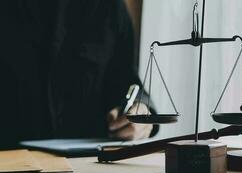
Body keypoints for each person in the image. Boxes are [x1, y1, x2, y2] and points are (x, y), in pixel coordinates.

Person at [0, 0, 156, 148]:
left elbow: (129, 84)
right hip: (9, 162)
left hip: (88, 164)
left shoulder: (108, 7)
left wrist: (140, 115)